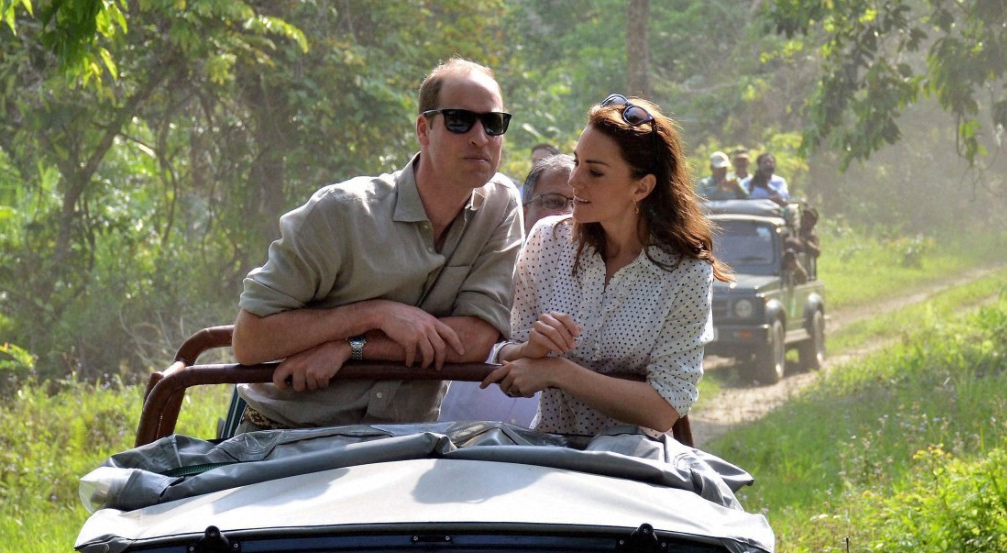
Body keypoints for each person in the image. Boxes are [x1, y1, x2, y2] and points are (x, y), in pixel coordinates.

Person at [230, 57, 524, 432]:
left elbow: (473, 341)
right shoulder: (342, 212)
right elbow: (250, 339)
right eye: (458, 120)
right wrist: (375, 313)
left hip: (400, 444)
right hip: (288, 433)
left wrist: (352, 347)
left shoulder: (500, 205)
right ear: (424, 129)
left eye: (493, 123)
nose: (480, 137)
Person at [480, 94, 730, 436]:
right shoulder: (547, 240)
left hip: (633, 471)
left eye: (594, 172)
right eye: (577, 162)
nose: (573, 181)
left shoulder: (687, 273)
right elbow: (506, 358)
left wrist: (559, 372)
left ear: (642, 187)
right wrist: (529, 350)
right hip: (546, 456)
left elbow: (664, 408)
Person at [438, 154, 575, 427]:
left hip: (548, 453)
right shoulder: (485, 266)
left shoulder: (606, 286)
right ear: (524, 212)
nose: (567, 215)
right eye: (555, 202)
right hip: (455, 437)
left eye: (578, 203)